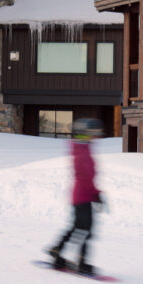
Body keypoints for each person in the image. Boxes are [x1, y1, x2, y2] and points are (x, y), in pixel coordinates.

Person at [48, 116, 103, 275]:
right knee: (86, 229)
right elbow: (85, 177)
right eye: (93, 133)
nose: (96, 137)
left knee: (78, 227)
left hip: (81, 195)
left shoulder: (83, 149)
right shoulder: (82, 152)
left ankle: (57, 251)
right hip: (83, 196)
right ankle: (82, 262)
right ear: (84, 134)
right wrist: (96, 194)